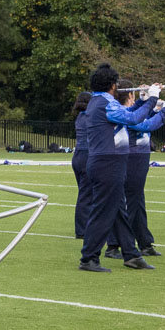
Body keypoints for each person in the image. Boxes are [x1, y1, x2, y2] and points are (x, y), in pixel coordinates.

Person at [78, 65, 165, 272]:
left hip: (108, 163)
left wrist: (142, 99)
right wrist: (152, 100)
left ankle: (131, 254)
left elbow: (127, 112)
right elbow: (133, 119)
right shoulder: (105, 103)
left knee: (118, 211)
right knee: (103, 212)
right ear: (113, 85)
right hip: (108, 163)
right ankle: (88, 258)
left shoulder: (103, 102)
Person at [104, 84, 165, 260]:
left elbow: (145, 118)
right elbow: (146, 125)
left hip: (139, 157)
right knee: (129, 202)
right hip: (132, 157)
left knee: (136, 201)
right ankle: (115, 244)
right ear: (129, 96)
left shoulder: (130, 111)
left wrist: (154, 107)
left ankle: (144, 242)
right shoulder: (125, 114)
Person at [70, 91, 93, 238]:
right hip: (87, 155)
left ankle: (85, 226)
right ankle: (82, 230)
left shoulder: (79, 117)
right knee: (86, 195)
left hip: (78, 155)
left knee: (84, 193)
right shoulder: (89, 117)